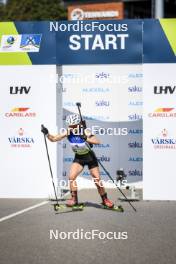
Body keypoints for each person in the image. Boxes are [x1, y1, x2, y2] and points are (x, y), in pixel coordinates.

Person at [41, 114, 114, 208]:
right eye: (70, 126)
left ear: (78, 124)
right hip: (79, 158)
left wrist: (86, 138)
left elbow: (97, 141)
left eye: (73, 126)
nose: (71, 127)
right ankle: (74, 199)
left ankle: (105, 199)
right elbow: (54, 139)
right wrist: (47, 133)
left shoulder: (85, 131)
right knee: (71, 177)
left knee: (97, 180)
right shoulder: (68, 132)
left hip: (90, 157)